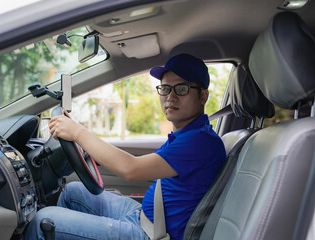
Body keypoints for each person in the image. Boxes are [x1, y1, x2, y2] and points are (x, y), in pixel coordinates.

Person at [25, 53, 226, 240]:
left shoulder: (200, 142)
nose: (170, 97)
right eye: (165, 89)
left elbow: (131, 169)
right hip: (145, 217)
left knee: (42, 220)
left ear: (203, 96)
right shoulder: (190, 133)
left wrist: (78, 133)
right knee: (72, 192)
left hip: (152, 234)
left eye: (181, 89)